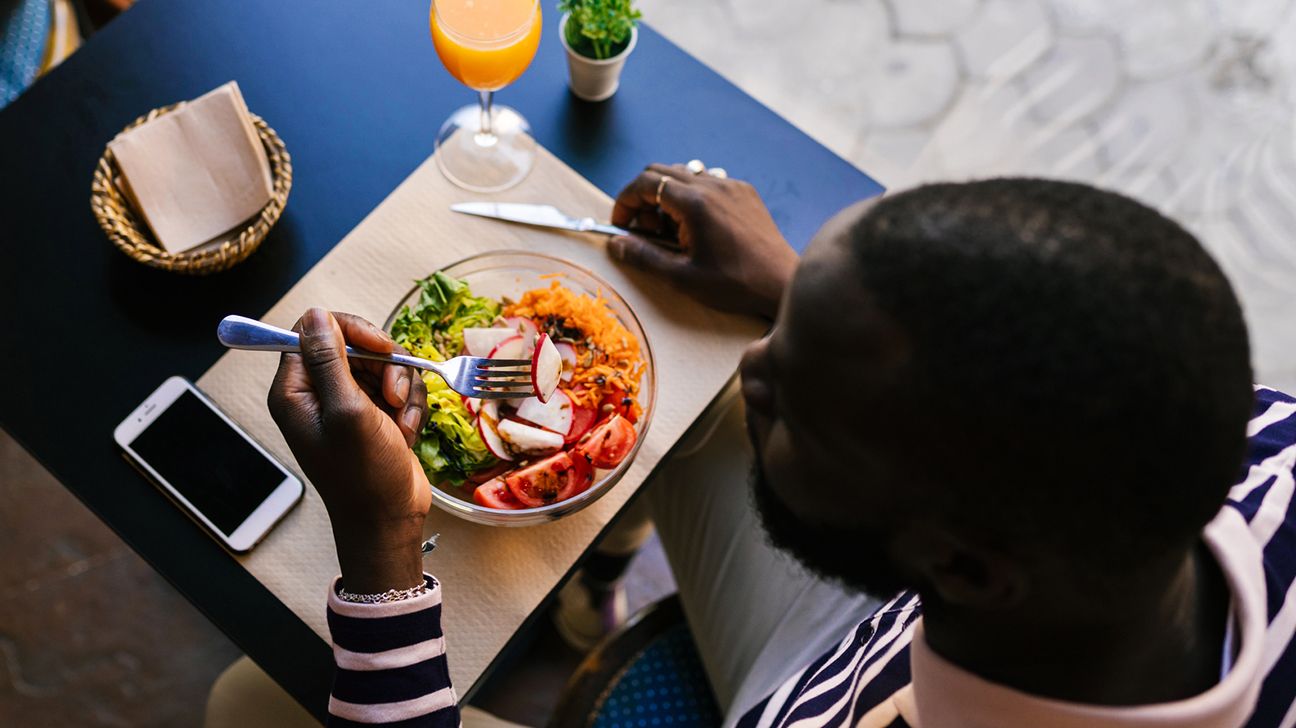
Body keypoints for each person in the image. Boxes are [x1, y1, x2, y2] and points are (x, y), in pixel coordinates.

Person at [265, 167, 1296, 727]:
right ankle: (593, 594)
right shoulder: (1264, 436)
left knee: (245, 696)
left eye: (796, 406)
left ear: (965, 561)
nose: (753, 363)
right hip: (889, 624)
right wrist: (806, 291)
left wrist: (384, 554)